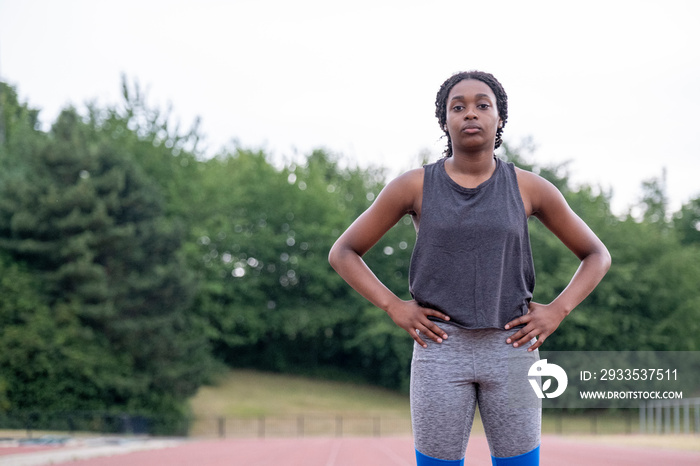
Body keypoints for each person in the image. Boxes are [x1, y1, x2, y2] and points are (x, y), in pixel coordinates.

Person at [328, 70, 611, 466]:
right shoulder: (414, 186)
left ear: (500, 118)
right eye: (457, 107)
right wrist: (394, 306)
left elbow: (597, 254)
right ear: (445, 122)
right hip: (439, 348)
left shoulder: (530, 188)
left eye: (482, 105)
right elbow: (343, 252)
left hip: (512, 348)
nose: (470, 114)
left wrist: (556, 310)